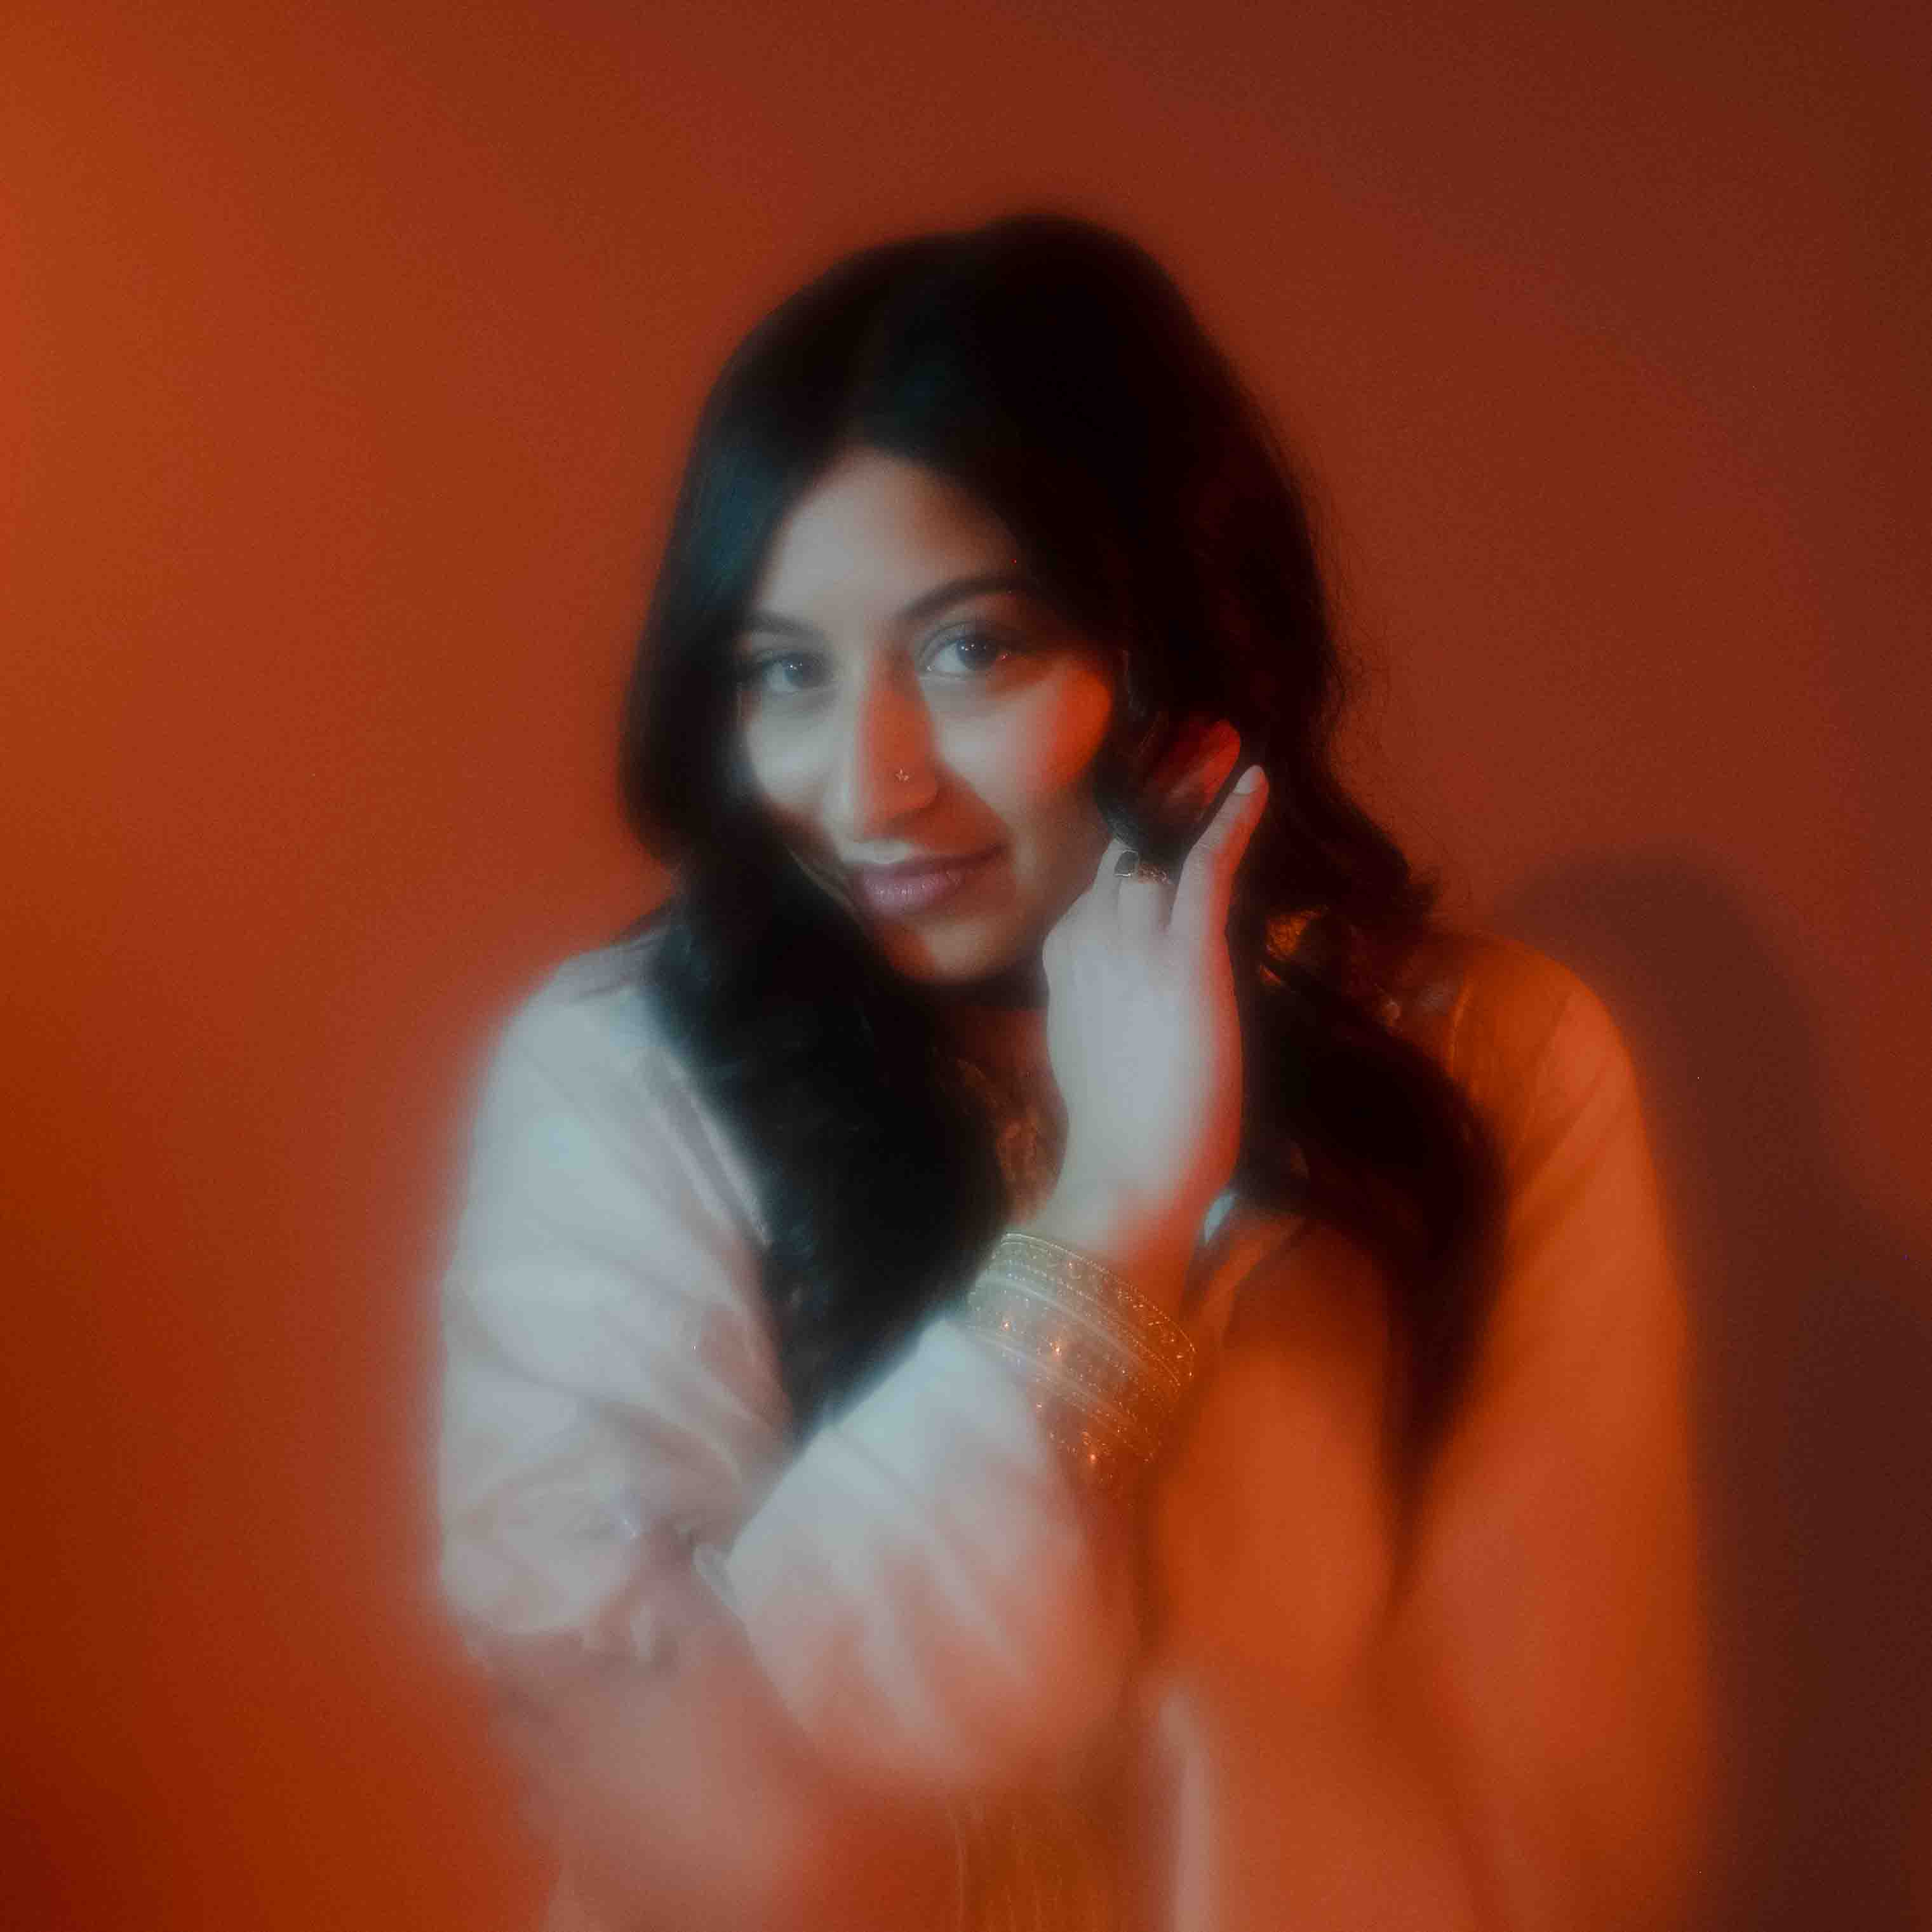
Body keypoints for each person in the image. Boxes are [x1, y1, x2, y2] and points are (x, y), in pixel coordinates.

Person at [434, 211, 1708, 1931]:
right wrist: (1108, 1221)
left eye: (973, 650)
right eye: (786, 673)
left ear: (1170, 654)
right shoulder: (619, 1083)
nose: (870, 787)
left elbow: (1560, 1806)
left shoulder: (1482, 1061)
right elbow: (716, 1850)